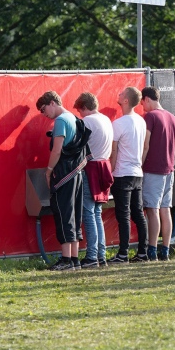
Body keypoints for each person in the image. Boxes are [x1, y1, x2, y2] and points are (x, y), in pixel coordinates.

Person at [37, 91, 90, 271]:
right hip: (77, 174)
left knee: (63, 214)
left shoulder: (60, 121)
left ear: (52, 103)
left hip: (63, 176)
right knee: (74, 215)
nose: (44, 115)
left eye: (44, 110)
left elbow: (57, 150)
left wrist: (48, 170)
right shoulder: (75, 119)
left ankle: (66, 259)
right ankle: (74, 258)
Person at [73, 92, 114, 268]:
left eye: (80, 111)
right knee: (97, 213)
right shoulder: (105, 119)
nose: (80, 116)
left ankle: (91, 257)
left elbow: (76, 144)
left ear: (84, 107)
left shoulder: (87, 121)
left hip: (91, 168)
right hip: (104, 166)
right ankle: (100, 255)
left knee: (88, 212)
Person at [109, 87, 148, 264]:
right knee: (138, 213)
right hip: (137, 172)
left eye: (121, 93)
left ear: (126, 101)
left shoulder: (118, 124)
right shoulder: (141, 121)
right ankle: (143, 252)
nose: (118, 94)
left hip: (123, 173)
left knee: (123, 214)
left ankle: (123, 253)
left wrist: (111, 171)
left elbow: (114, 150)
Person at [141, 86, 175, 261]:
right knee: (165, 209)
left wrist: (140, 164)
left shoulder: (150, 116)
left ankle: (152, 249)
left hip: (153, 169)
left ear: (147, 99)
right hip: (169, 168)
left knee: (152, 210)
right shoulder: (172, 117)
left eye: (142, 103)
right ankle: (165, 249)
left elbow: (146, 145)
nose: (142, 107)